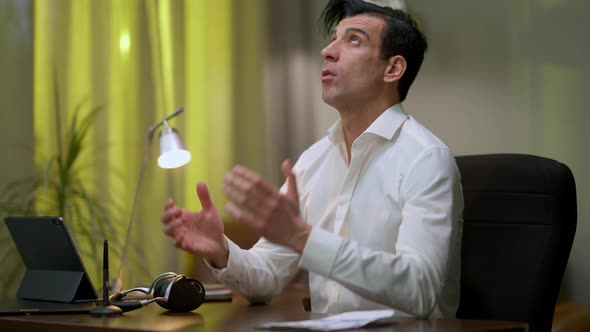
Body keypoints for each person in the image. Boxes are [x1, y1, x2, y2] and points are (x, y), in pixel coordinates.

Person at [161, 0, 463, 319]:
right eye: (333, 38)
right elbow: (266, 277)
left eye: (353, 40)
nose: (328, 51)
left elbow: (420, 288)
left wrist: (302, 238)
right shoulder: (314, 160)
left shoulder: (426, 159)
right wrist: (222, 250)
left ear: (393, 69)